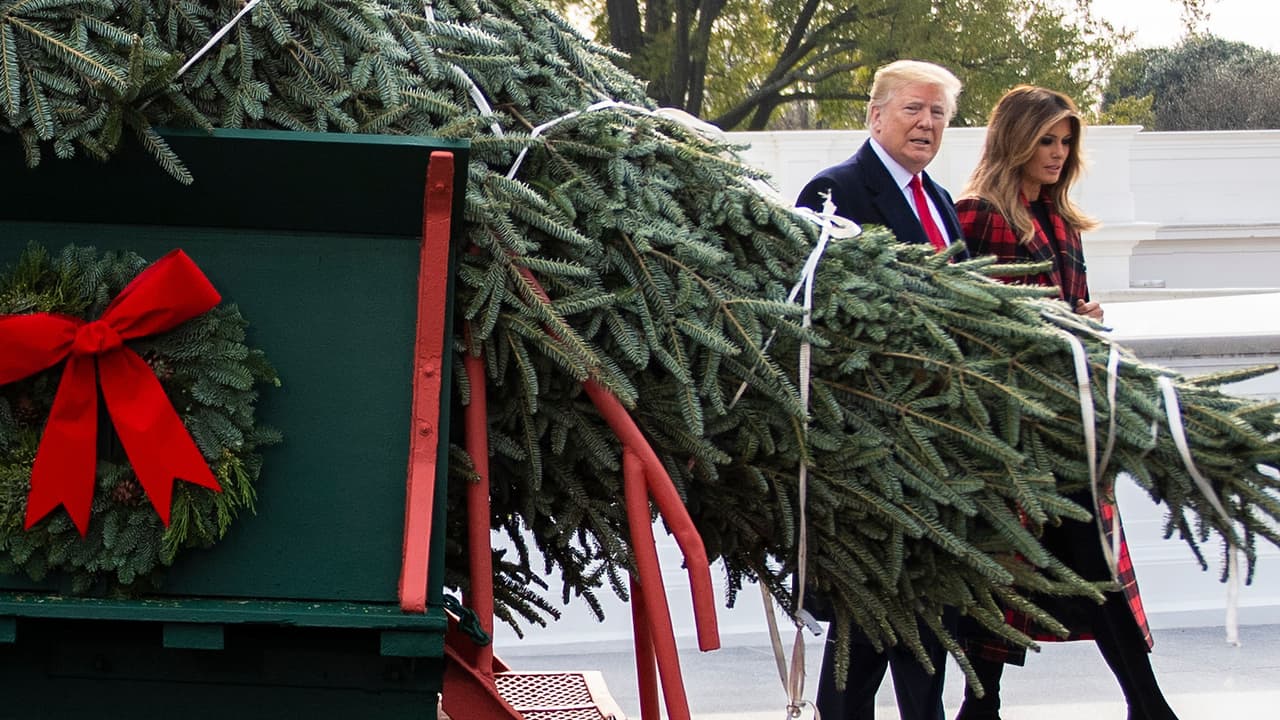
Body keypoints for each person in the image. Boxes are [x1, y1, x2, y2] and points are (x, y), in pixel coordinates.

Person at [953, 85, 1179, 720]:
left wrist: (1085, 317)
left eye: (1065, 141)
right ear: (1014, 140)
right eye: (1045, 140)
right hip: (1008, 424)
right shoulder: (976, 214)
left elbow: (1065, 310)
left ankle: (1143, 704)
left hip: (1068, 422)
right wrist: (1052, 321)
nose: (1057, 153)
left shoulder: (1061, 220)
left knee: (1087, 561)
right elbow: (966, 319)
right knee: (1009, 568)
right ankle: (991, 705)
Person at [796, 58, 966, 720]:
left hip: (936, 452)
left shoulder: (942, 202)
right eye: (913, 109)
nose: (926, 124)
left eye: (939, 114)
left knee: (906, 628)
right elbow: (813, 313)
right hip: (870, 450)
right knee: (874, 623)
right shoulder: (834, 192)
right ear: (875, 114)